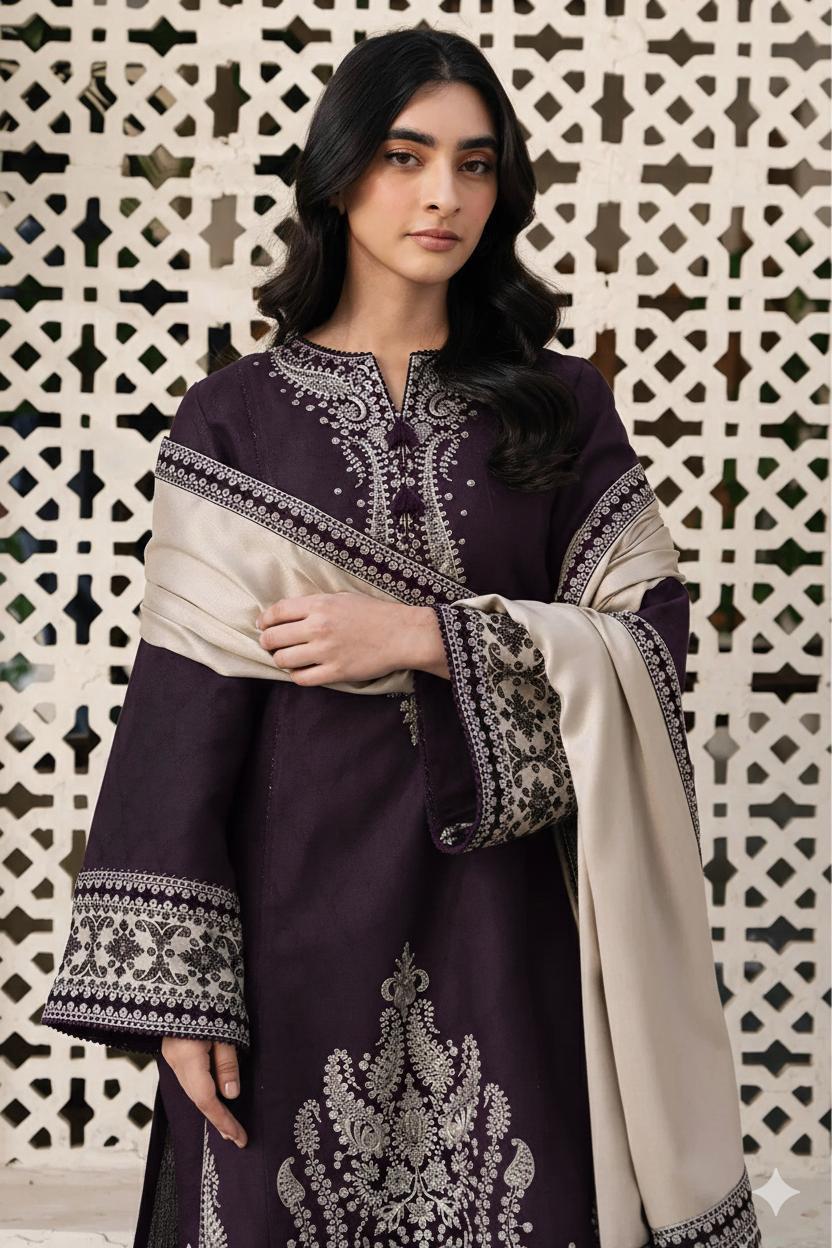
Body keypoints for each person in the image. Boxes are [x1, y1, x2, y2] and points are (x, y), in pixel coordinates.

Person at [40, 25, 763, 1248]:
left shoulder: (557, 405)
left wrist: (431, 637)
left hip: (514, 919)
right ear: (338, 174)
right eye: (404, 156)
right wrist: (179, 997)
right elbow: (177, 717)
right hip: (289, 916)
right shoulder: (234, 418)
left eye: (475, 165)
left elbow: (649, 645)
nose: (443, 195)